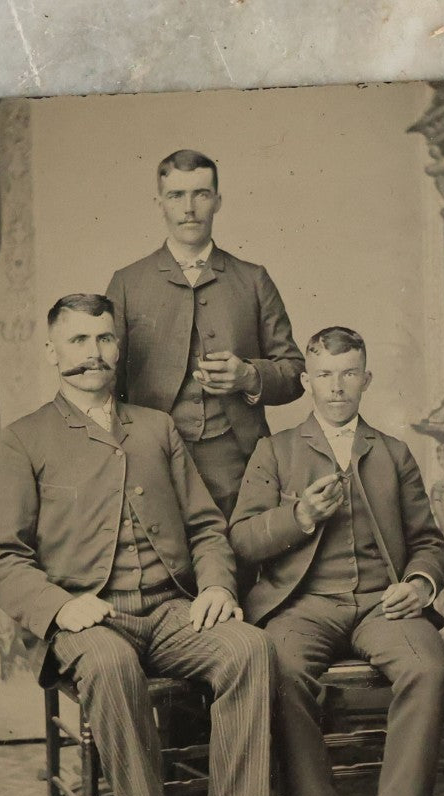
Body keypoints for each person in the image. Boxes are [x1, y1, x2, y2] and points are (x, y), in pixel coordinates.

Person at [0, 293, 304, 796]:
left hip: (170, 609)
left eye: (102, 340)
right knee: (110, 666)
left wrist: (216, 587)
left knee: (249, 649)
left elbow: (209, 526)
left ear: (118, 347)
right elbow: (0, 557)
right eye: (77, 342)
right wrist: (58, 606)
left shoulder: (155, 427)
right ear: (52, 352)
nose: (91, 355)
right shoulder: (24, 439)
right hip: (88, 620)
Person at [229, 327, 444, 796]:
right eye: (324, 375)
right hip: (304, 605)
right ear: (305, 381)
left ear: (366, 379)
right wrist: (299, 515)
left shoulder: (393, 453)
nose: (336, 387)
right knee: (278, 668)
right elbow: (244, 540)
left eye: (349, 373)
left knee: (427, 668)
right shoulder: (274, 451)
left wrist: (422, 584)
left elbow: (429, 541)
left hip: (384, 604)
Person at [106, 149, 305, 521]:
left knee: (239, 563)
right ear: (159, 203)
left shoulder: (253, 279)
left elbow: (295, 373)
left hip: (238, 460)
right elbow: (107, 382)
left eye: (200, 194)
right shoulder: (128, 283)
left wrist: (249, 375)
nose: (189, 208)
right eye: (176, 196)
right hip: (153, 457)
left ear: (217, 201)